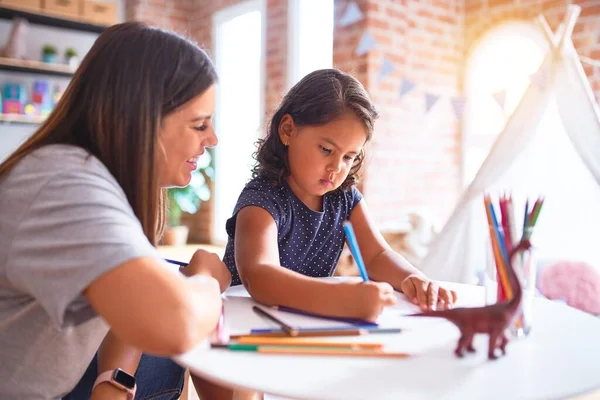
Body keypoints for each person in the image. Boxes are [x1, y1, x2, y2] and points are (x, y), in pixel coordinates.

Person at [0, 22, 232, 400]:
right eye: (199, 124)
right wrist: (205, 280)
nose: (213, 139)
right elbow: (176, 321)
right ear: (141, 119)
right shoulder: (65, 185)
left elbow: (120, 307)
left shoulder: (93, 181)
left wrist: (112, 381)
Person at [223, 69, 458, 323]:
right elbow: (260, 276)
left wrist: (413, 278)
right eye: (326, 149)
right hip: (247, 325)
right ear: (288, 130)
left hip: (304, 323)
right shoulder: (262, 199)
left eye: (349, 157)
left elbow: (377, 256)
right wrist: (341, 299)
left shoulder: (344, 198)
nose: (336, 167)